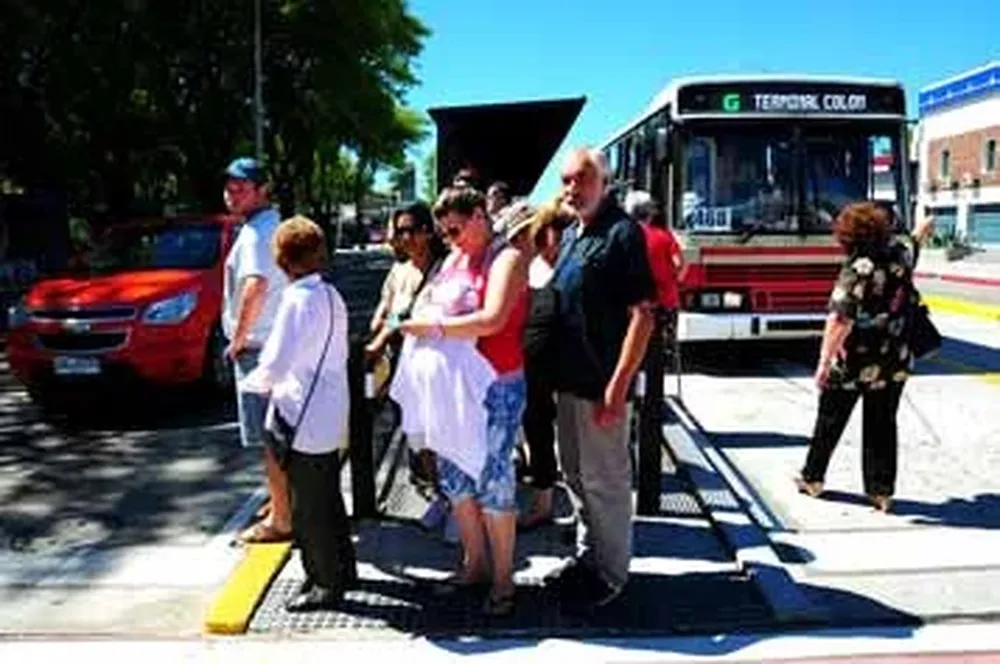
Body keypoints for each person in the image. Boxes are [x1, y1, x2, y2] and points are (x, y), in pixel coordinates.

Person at [394, 186, 530, 617]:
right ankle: (474, 564)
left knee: (494, 478)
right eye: (444, 232)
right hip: (453, 388)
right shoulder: (453, 258)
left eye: (454, 229)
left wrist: (433, 329)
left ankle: (504, 578)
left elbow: (493, 319)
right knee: (455, 476)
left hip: (495, 385)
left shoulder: (505, 258)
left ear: (477, 216)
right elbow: (429, 298)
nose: (449, 239)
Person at [544, 148, 656, 609]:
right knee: (574, 475)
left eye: (582, 179)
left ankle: (613, 576)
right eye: (567, 180)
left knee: (605, 482)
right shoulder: (573, 232)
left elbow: (643, 317)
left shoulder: (623, 235)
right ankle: (588, 558)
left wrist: (618, 385)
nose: (573, 188)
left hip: (601, 388)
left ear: (604, 182)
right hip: (568, 383)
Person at [239, 215, 356, 612]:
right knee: (329, 499)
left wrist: (248, 383)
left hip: (301, 414)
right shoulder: (331, 296)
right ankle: (343, 569)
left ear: (283, 260)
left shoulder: (295, 301)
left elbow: (275, 362)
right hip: (331, 407)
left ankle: (324, 582)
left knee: (307, 507)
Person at [796, 204, 934, 513]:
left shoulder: (857, 268)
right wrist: (926, 222)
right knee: (883, 422)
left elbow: (840, 319)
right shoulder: (900, 254)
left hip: (855, 360)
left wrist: (823, 362)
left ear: (848, 236)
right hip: (895, 359)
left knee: (830, 419)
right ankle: (880, 492)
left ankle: (813, 478)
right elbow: (916, 239)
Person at [221, 157, 291, 543]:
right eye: (230, 187)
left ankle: (281, 519)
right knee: (276, 432)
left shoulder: (254, 234)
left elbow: (255, 285)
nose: (232, 194)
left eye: (241, 187)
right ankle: (282, 502)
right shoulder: (267, 226)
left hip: (258, 345)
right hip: (271, 343)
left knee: (268, 437)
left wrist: (238, 337)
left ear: (263, 190)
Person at [518, 199, 576, 529]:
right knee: (537, 428)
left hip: (571, 368)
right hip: (535, 369)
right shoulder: (535, 265)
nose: (549, 244)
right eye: (544, 236)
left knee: (572, 440)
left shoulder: (576, 267)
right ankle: (544, 502)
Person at [624, 189, 684, 340]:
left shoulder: (623, 237)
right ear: (650, 214)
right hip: (665, 303)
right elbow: (678, 264)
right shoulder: (664, 236)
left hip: (633, 305)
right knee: (664, 351)